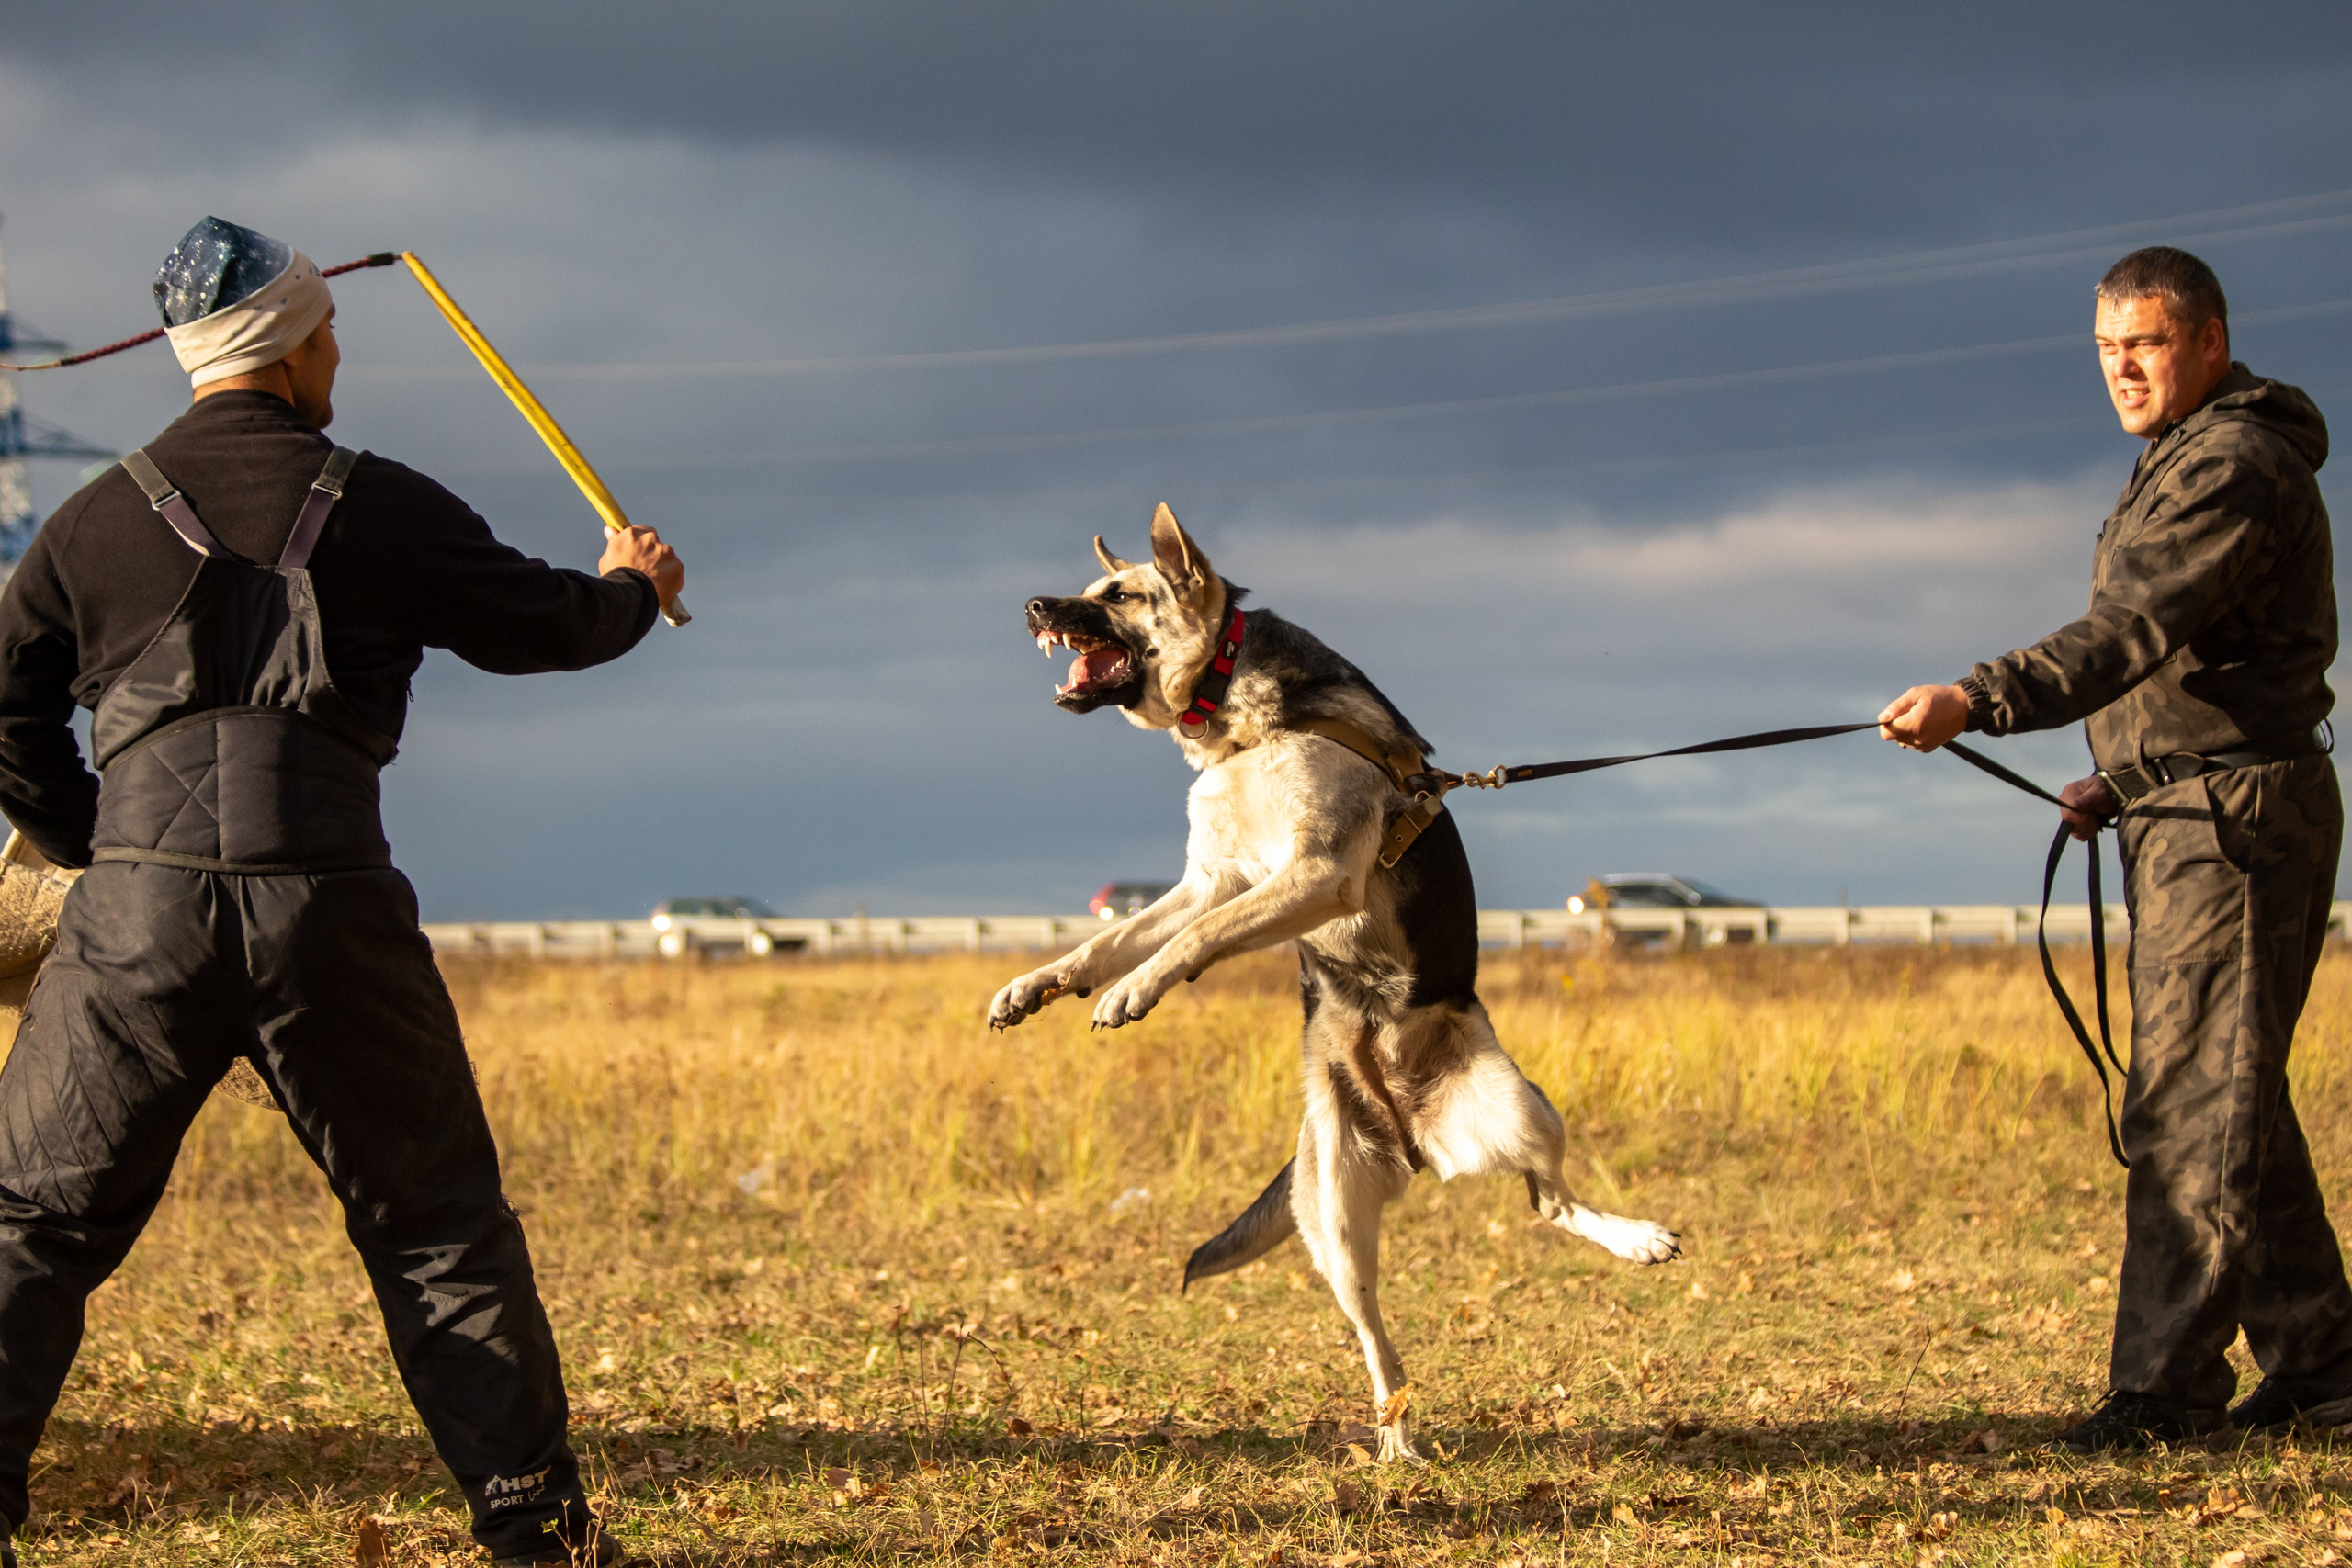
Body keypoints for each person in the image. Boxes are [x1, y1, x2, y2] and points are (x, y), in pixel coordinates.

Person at [0, 218, 684, 1565]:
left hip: (134, 920)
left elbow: (8, 719)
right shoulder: (383, 504)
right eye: (327, 335)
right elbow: (546, 627)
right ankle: (536, 1538)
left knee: (30, 1227)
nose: (335, 356)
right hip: (331, 909)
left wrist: (105, 857)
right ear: (294, 347)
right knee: (437, 1229)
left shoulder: (87, 525)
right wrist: (629, 586)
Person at [1879, 246, 2346, 1450]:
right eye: (2105, 349)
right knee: (2227, 1088)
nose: (2122, 369)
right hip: (2194, 804)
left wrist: (1976, 698)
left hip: (2234, 821)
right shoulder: (2182, 454)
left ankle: (2164, 1395)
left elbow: (2131, 628)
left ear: (2209, 340)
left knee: (2193, 1099)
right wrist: (2125, 772)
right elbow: (2185, 657)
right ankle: (2324, 1364)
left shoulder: (2230, 463)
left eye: (2145, 344)